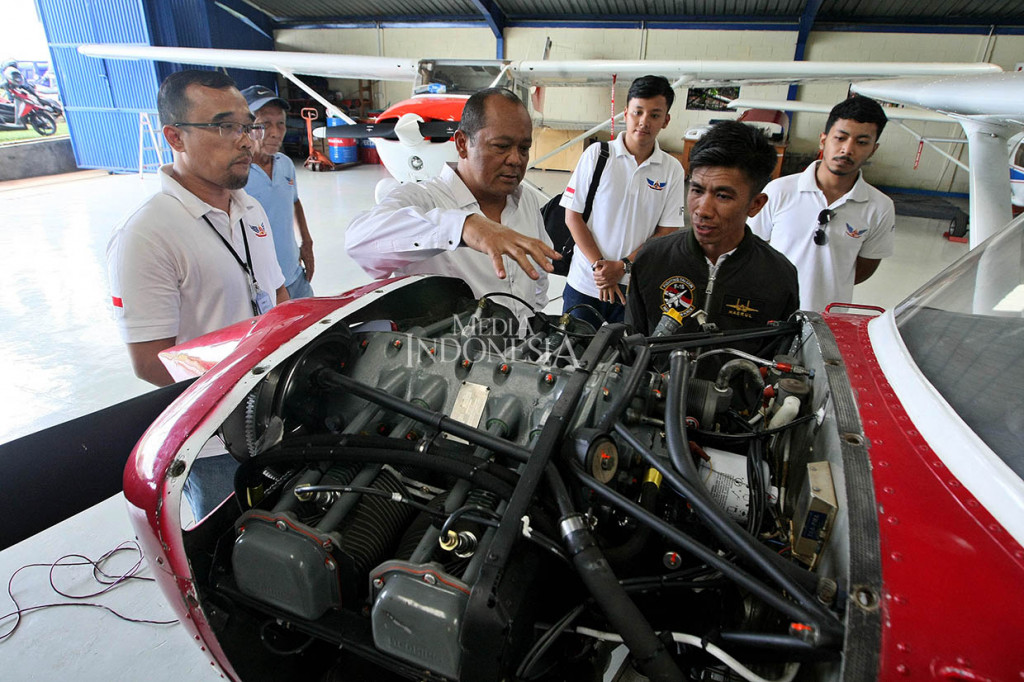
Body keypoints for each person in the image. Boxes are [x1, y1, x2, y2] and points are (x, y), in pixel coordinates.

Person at [107, 70, 289, 520]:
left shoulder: (250, 207)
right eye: (226, 127)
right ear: (175, 136)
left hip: (278, 418)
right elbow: (151, 362)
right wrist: (243, 378)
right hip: (213, 446)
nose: (247, 141)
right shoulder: (147, 235)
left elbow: (278, 296)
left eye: (249, 126)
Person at [346, 87, 558, 321]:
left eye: (524, 149)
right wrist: (463, 227)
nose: (516, 159)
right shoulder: (424, 199)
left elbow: (538, 280)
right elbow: (359, 242)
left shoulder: (525, 199)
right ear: (461, 144)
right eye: (501, 146)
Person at [626, 120, 799, 361]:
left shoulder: (778, 277)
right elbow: (633, 343)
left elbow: (775, 362)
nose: (702, 210)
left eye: (722, 196)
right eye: (697, 190)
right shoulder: (653, 258)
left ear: (755, 204)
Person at [561, 75, 686, 329]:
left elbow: (667, 231)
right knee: (571, 358)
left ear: (666, 120)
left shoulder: (672, 169)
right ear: (626, 113)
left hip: (634, 290)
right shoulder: (597, 155)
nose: (644, 122)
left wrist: (623, 266)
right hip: (586, 284)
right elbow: (572, 216)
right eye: (638, 112)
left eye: (654, 115)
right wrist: (601, 268)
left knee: (627, 363)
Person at [749, 96, 895, 312]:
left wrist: (828, 281)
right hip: (770, 312)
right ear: (823, 140)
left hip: (828, 320)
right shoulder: (779, 191)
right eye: (840, 138)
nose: (847, 149)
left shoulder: (880, 207)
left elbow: (863, 268)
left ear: (874, 149)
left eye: (862, 142)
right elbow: (751, 249)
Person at [241, 85, 316, 299]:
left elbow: (294, 201)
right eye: (264, 125)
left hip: (294, 274)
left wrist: (307, 243)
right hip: (262, 289)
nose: (275, 133)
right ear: (246, 128)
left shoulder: (285, 164)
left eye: (280, 124)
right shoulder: (236, 177)